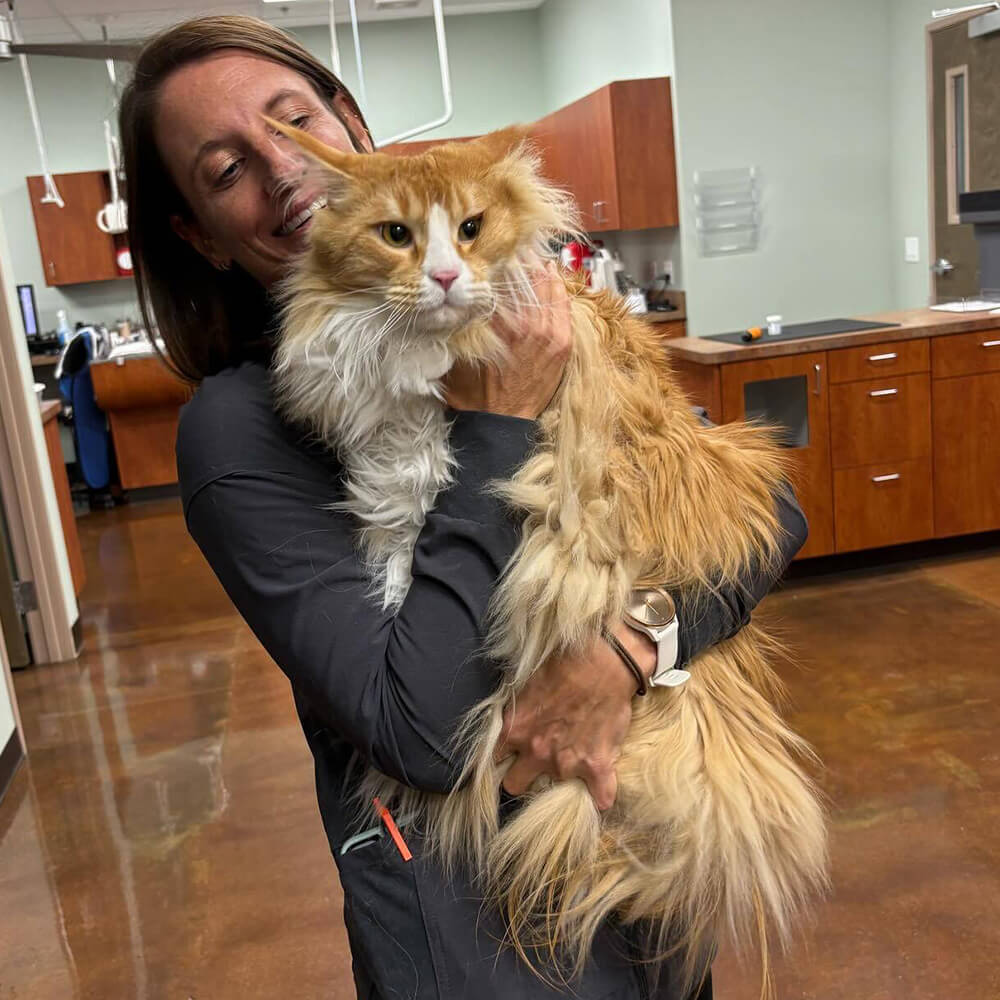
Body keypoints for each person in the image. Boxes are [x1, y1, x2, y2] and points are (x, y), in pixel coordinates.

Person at [119, 15, 808, 999]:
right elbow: (426, 730)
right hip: (473, 927)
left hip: (642, 872)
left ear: (350, 124)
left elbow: (764, 513)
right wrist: (499, 423)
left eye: (295, 120)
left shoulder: (526, 311)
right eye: (226, 170)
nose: (282, 170)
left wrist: (629, 648)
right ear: (198, 234)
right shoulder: (239, 428)